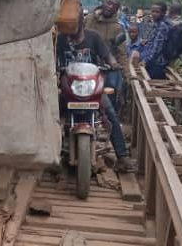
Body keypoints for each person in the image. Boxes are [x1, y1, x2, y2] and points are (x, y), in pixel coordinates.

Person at [57, 14, 134, 172]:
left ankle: (122, 156)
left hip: (91, 87)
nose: (71, 27)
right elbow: (51, 58)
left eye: (74, 22)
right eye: (68, 23)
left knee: (110, 114)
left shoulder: (94, 37)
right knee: (50, 114)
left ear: (81, 22)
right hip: (68, 87)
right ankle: (51, 153)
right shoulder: (60, 40)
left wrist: (113, 64)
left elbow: (108, 56)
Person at [84, 0, 127, 108]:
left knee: (111, 89)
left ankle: (112, 121)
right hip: (85, 62)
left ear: (116, 10)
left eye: (114, 6)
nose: (110, 6)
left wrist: (126, 72)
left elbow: (121, 52)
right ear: (102, 3)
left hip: (107, 66)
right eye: (108, 3)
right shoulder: (88, 19)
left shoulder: (117, 27)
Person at [132, 2, 170, 79]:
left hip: (157, 63)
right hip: (154, 61)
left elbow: (157, 49)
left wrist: (146, 61)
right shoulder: (157, 24)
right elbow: (153, 43)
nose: (154, 14)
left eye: (157, 12)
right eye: (152, 11)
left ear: (163, 13)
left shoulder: (162, 26)